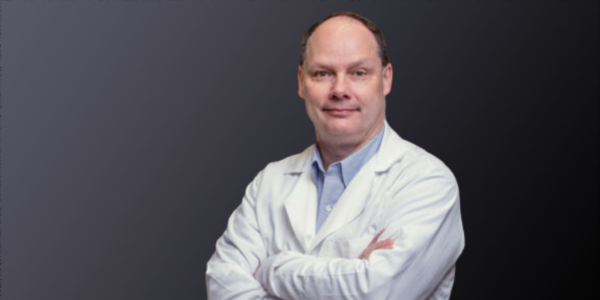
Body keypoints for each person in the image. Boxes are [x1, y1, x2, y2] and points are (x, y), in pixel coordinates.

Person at [206, 11, 465, 300]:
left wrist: (272, 269)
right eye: (323, 73)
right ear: (302, 82)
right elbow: (222, 285)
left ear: (386, 79)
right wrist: (353, 271)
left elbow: (377, 292)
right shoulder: (269, 182)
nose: (340, 90)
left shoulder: (427, 182)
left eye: (358, 73)